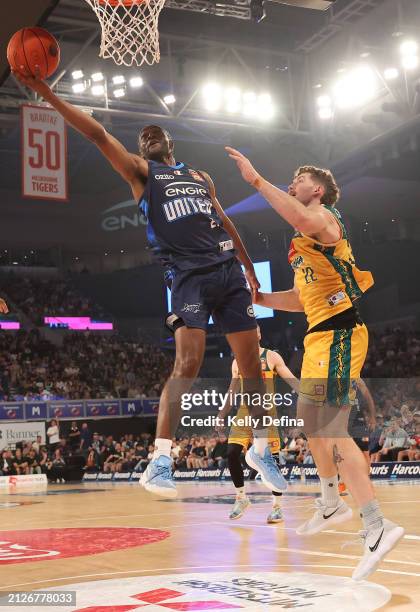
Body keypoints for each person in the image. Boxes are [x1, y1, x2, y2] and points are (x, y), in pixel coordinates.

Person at [13, 69, 286, 500]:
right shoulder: (142, 174)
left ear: (170, 142)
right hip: (188, 274)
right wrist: (46, 92)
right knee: (188, 364)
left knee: (254, 367)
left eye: (155, 133)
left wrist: (249, 267)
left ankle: (261, 448)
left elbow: (225, 219)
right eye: (143, 137)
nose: (149, 136)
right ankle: (160, 459)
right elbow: (100, 135)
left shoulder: (201, 177)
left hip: (229, 272)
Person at [226, 147, 404, 581]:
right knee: (310, 419)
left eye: (297, 179)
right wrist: (262, 299)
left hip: (342, 331)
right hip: (319, 334)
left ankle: (377, 525)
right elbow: (302, 300)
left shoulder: (325, 219)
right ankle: (330, 500)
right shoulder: (304, 246)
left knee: (332, 428)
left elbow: (301, 218)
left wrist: (255, 180)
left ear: (318, 189)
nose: (291, 184)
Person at [218, 324, 298, 523]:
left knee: (271, 461)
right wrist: (222, 412)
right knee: (231, 452)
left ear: (260, 334)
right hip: (244, 414)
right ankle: (241, 497)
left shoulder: (271, 357)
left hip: (266, 414)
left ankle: (277, 507)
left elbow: (291, 379)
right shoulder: (237, 361)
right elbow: (232, 391)